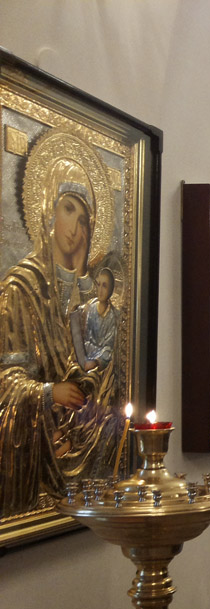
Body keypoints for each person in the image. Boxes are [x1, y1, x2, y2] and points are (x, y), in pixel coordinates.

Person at [0, 131, 122, 517]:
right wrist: (48, 393)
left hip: (79, 433)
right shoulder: (21, 287)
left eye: (84, 220)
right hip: (39, 436)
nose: (75, 228)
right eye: (68, 209)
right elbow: (6, 380)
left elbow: (98, 368)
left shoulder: (86, 295)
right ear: (47, 207)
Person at [76, 267, 119, 372]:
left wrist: (96, 362)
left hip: (101, 367)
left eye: (104, 286)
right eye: (98, 284)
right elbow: (85, 340)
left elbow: (109, 350)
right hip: (85, 360)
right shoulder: (90, 309)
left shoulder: (112, 317)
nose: (100, 290)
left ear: (111, 289)